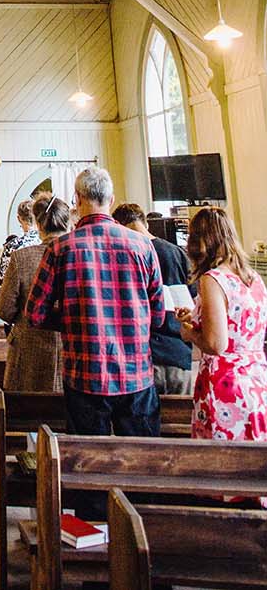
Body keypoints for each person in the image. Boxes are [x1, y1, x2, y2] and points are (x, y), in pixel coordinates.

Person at [27, 167, 165, 445]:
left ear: (77, 199)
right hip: (136, 373)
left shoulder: (61, 248)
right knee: (141, 461)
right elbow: (159, 314)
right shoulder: (142, 246)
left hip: (85, 374)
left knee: (88, 461)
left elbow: (35, 313)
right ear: (111, 199)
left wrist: (71, 318)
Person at [177, 207, 267, 456]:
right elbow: (240, 326)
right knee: (254, 464)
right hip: (257, 378)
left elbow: (217, 344)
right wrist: (196, 319)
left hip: (225, 384)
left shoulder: (213, 279)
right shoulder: (253, 279)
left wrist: (189, 334)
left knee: (222, 463)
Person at [113, 201, 195, 394]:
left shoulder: (127, 255)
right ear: (146, 223)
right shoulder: (177, 253)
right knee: (180, 420)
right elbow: (192, 301)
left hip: (143, 355)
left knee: (145, 422)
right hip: (178, 352)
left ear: (119, 227)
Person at [0, 195, 70, 391]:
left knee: (25, 411)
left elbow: (5, 309)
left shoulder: (22, 257)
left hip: (29, 347)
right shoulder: (81, 254)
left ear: (38, 223)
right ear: (67, 222)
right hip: (71, 349)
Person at [0, 199, 38, 283]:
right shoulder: (47, 242)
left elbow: (2, 277)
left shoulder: (13, 245)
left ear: (19, 218)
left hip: (20, 291)